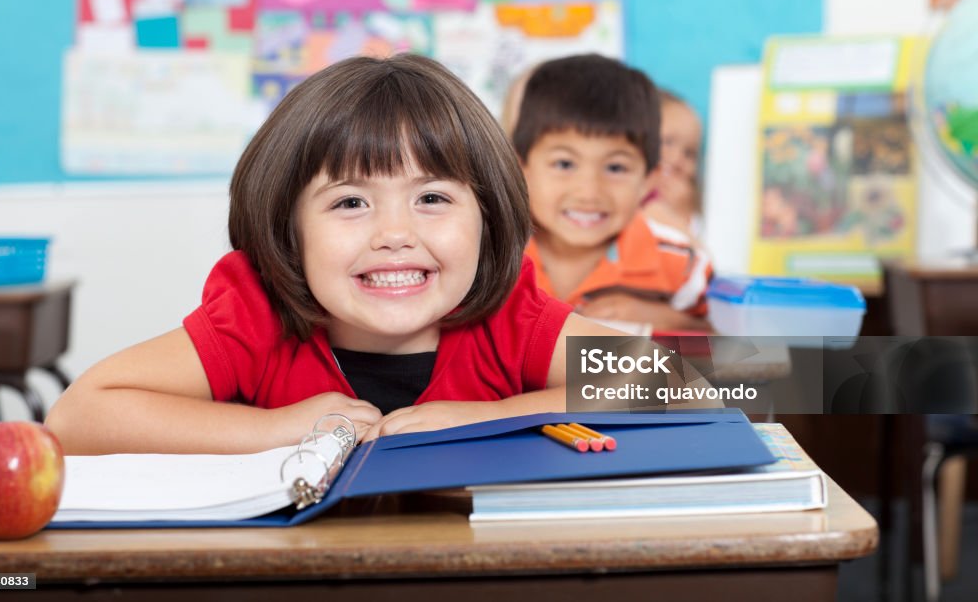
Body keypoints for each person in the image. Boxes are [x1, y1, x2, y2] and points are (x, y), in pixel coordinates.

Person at [46, 54, 651, 456]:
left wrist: (486, 418)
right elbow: (76, 418)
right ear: (288, 228)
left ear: (489, 219)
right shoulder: (259, 317)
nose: (394, 233)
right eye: (350, 203)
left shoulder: (508, 320)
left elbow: (713, 380)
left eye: (433, 197)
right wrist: (276, 429)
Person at [513, 55, 712, 332]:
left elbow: (729, 348)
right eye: (564, 164)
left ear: (647, 181)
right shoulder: (489, 258)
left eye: (616, 167)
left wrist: (666, 319)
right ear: (521, 169)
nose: (589, 192)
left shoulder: (682, 265)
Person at [642, 90, 705, 241]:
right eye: (668, 142)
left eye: (689, 153)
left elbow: (696, 248)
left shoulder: (689, 203)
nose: (677, 159)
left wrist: (682, 212)